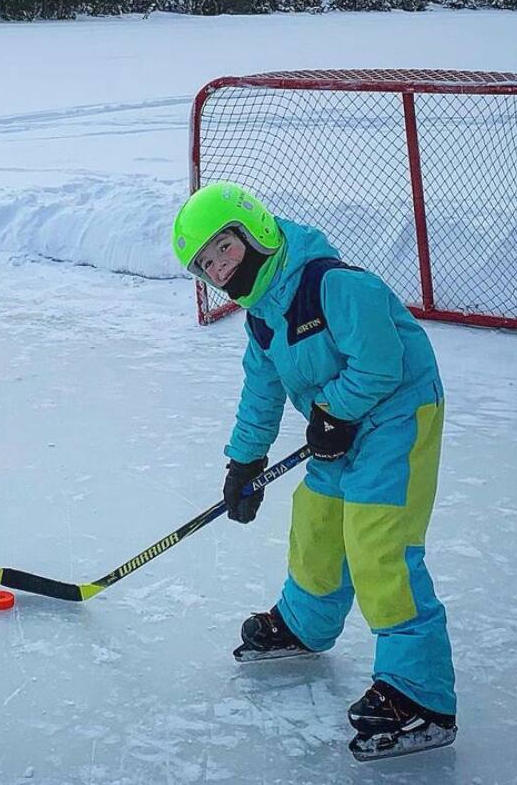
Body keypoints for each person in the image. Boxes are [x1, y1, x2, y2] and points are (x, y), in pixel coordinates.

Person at [171, 181, 456, 762]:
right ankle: (305, 623)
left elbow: (382, 363)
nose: (221, 267)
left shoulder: (333, 284)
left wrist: (335, 412)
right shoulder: (262, 319)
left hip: (398, 415)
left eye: (224, 247)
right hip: (340, 421)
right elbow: (262, 390)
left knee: (379, 541)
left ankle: (419, 693)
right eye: (207, 265)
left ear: (255, 232)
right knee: (317, 519)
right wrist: (244, 460)